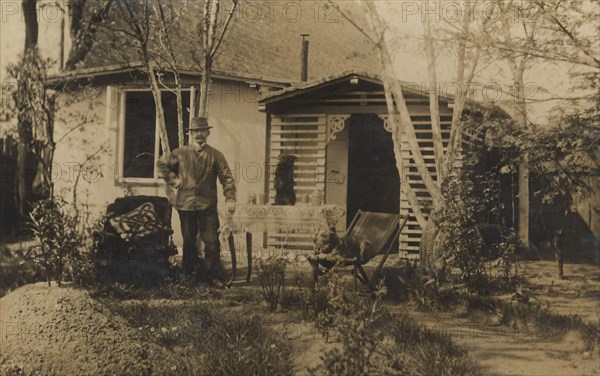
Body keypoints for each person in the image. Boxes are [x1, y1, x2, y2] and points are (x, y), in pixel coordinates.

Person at [157, 116, 236, 287]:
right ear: (191, 134)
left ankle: (212, 277)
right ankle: (189, 277)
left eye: (202, 130)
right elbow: (161, 165)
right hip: (186, 206)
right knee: (188, 242)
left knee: (211, 243)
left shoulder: (216, 155)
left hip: (208, 206)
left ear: (208, 132)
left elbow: (227, 178)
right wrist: (175, 181)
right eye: (195, 131)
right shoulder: (180, 154)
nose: (199, 134)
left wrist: (230, 197)